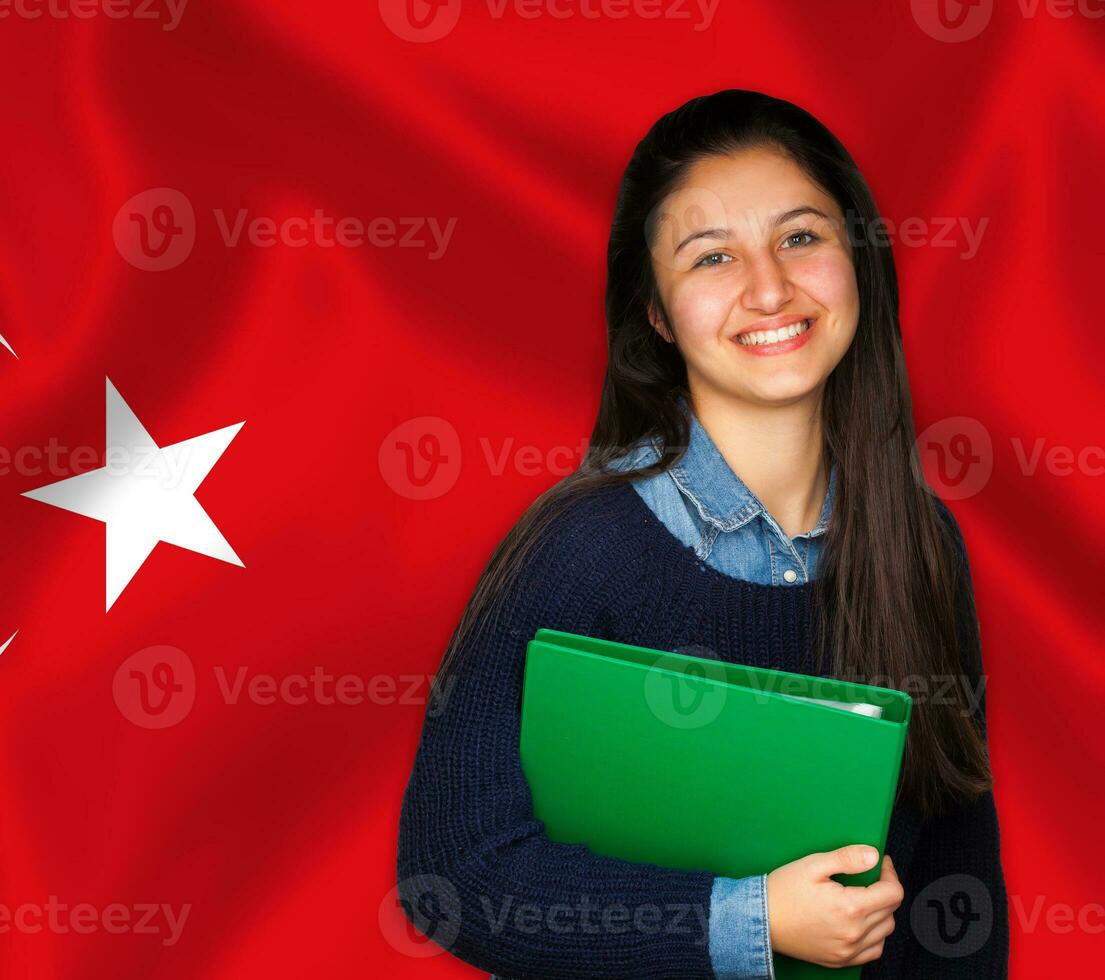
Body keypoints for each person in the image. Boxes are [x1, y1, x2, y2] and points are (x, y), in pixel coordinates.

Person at [395, 89, 1007, 978]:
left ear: (858, 263)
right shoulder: (579, 550)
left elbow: (957, 880)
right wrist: (747, 920)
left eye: (800, 237)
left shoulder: (920, 545)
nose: (769, 288)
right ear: (654, 312)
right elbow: (456, 872)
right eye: (711, 257)